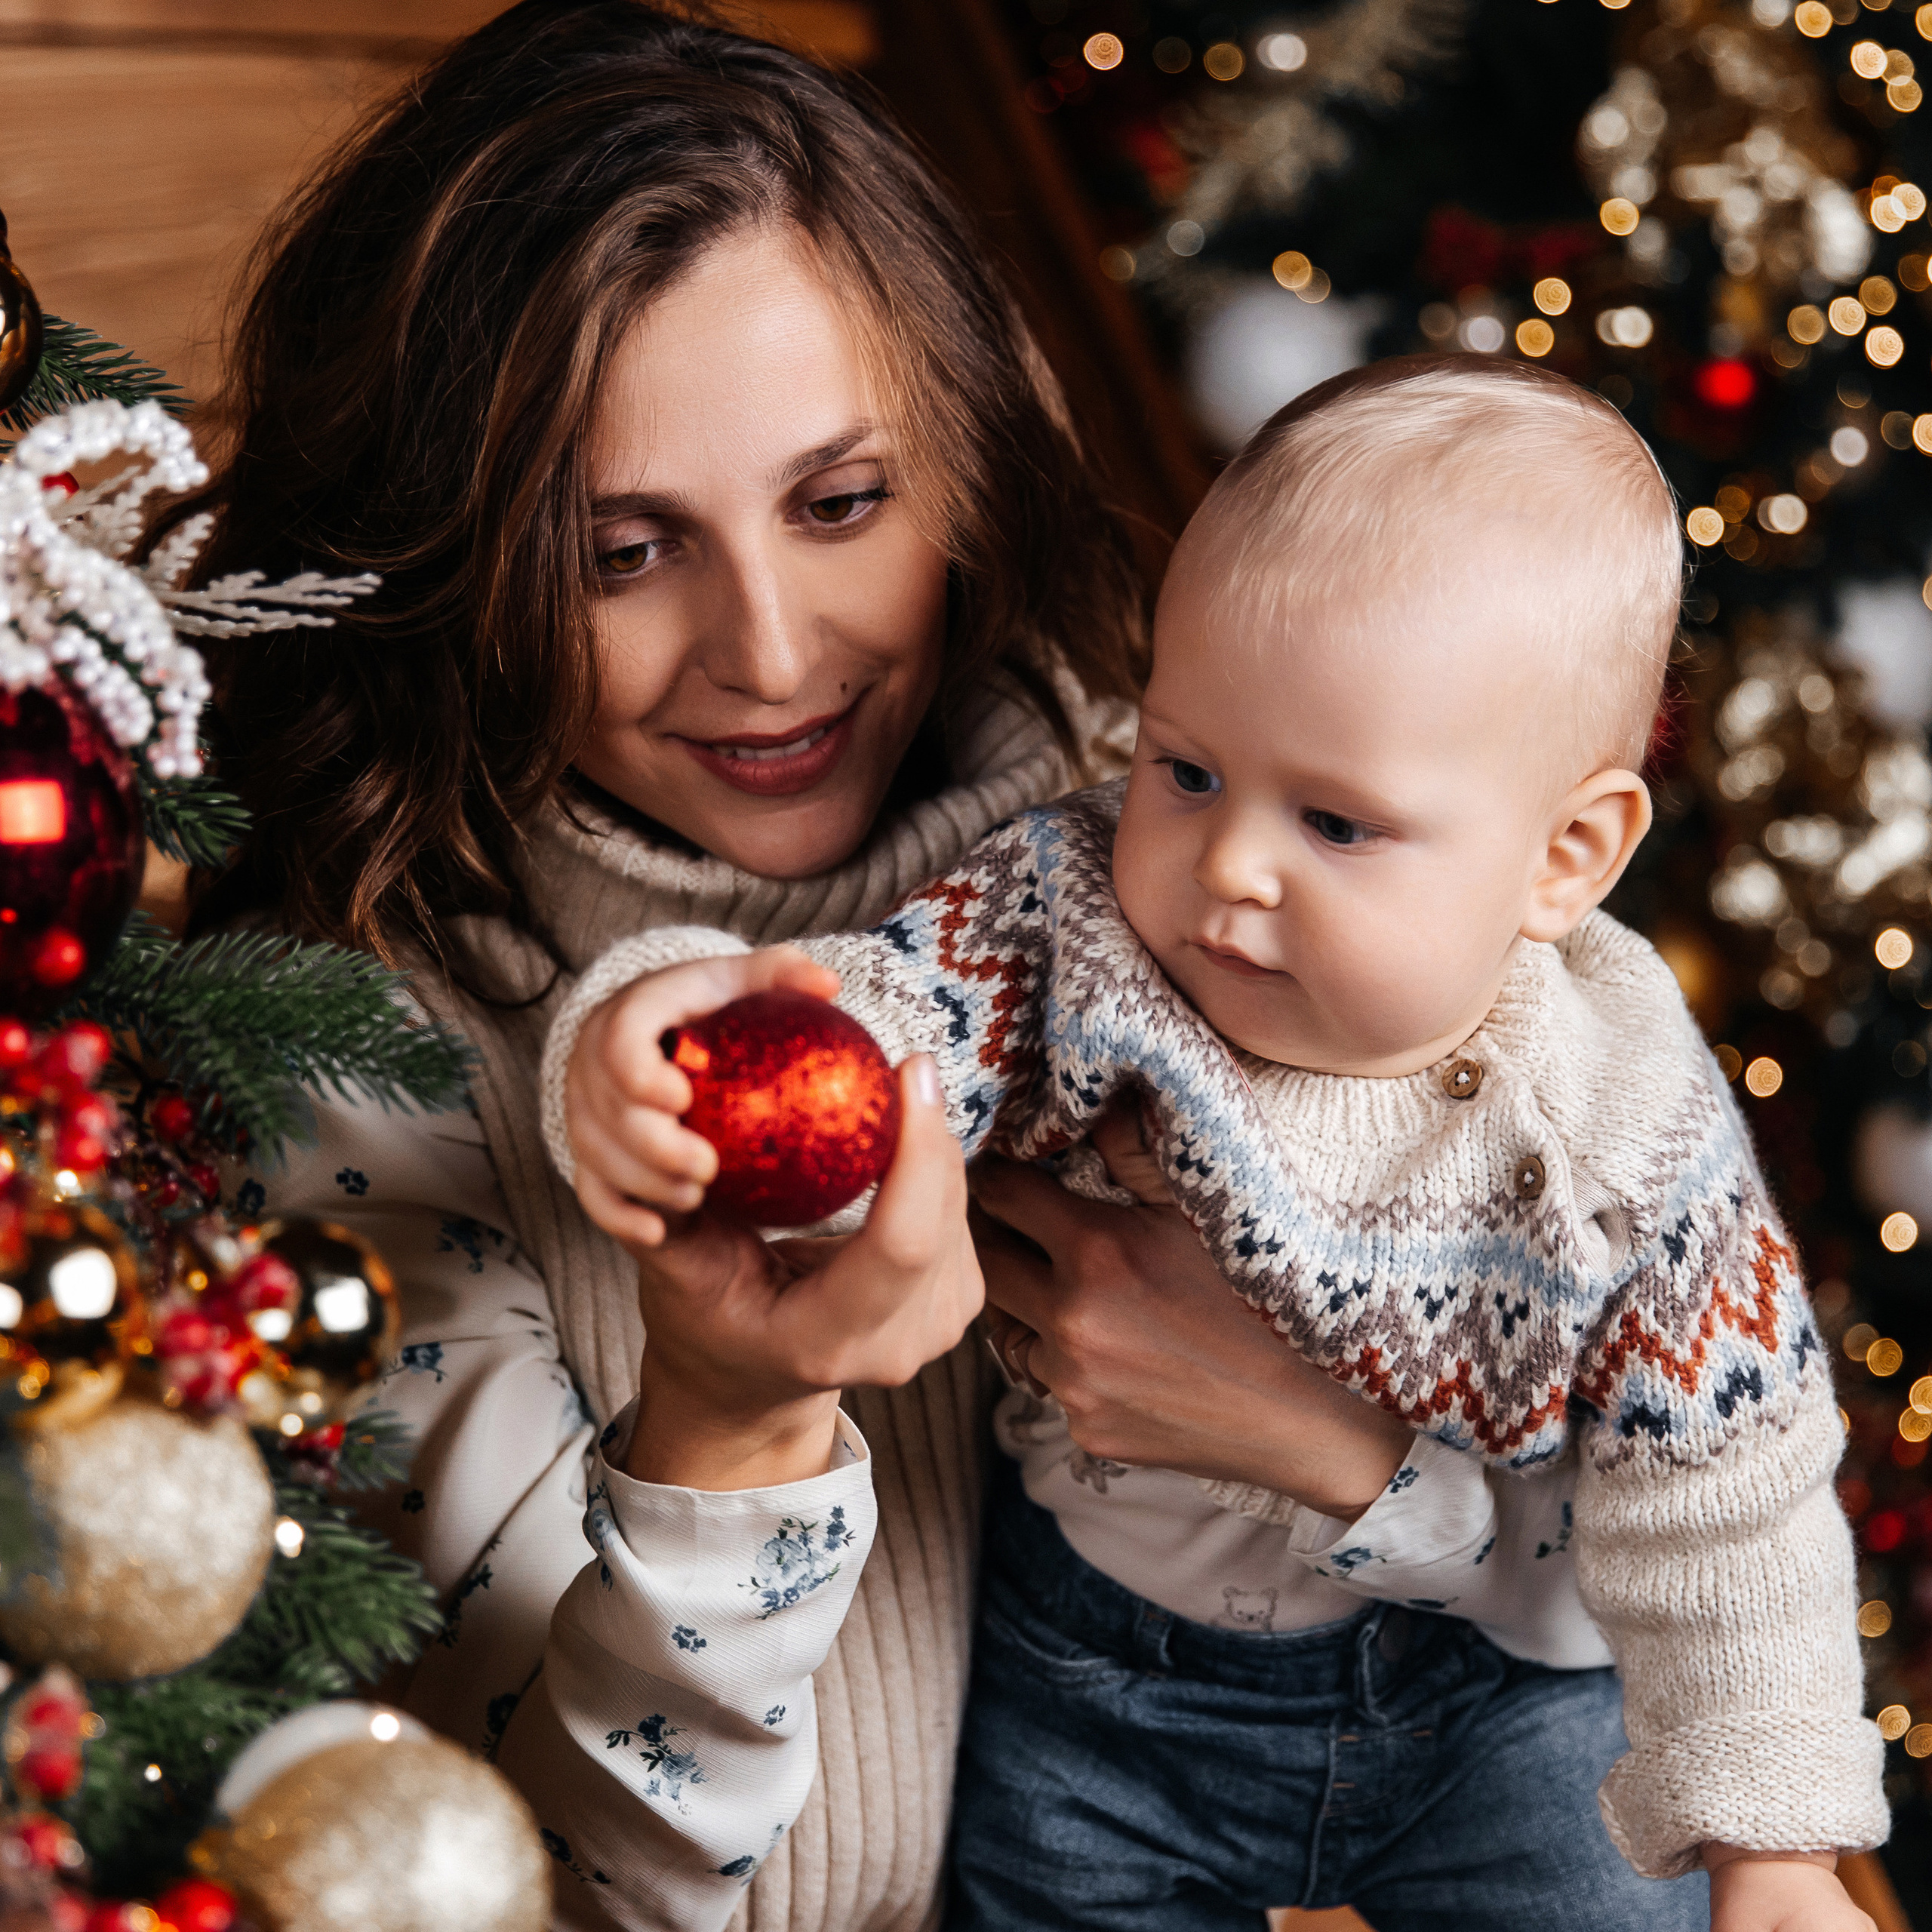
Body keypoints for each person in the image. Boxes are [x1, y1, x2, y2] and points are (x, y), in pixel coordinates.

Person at [165, 6, 1516, 1929]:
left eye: (838, 504)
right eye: (623, 551)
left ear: (960, 462)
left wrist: (1327, 1452)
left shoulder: (1203, 874)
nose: (774, 652)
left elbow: (1644, 1520)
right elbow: (549, 1885)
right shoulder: (354, 1050)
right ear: (452, 561)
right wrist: (727, 1418)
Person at [559, 357, 1889, 1932]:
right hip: (1095, 1682)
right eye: (1184, 771)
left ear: (1565, 855)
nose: (1230, 865)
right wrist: (667, 1034)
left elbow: (1731, 1483)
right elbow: (865, 1030)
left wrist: (1772, 1851)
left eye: (1335, 823)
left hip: (1496, 1701)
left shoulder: (1624, 1117)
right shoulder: (1069, 924)